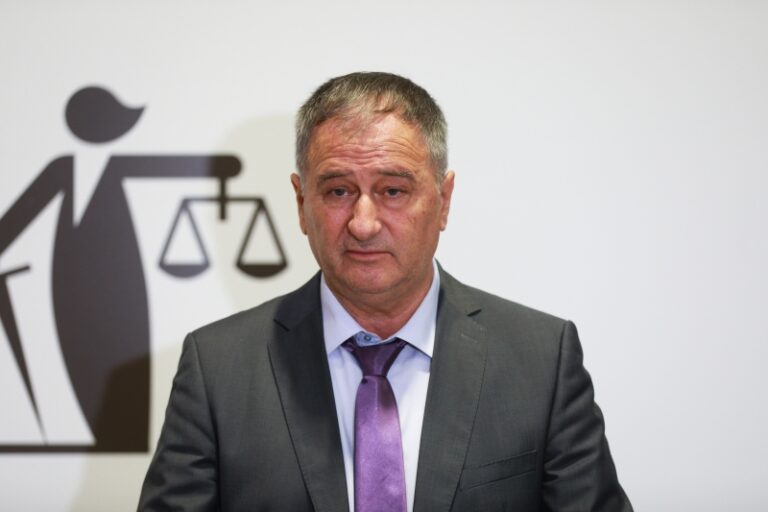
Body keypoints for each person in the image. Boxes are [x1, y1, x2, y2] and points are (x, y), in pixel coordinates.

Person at [139, 72, 633, 511]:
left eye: (393, 190)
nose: (363, 223)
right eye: (338, 191)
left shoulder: (541, 361)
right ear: (301, 202)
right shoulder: (217, 369)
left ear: (443, 201)